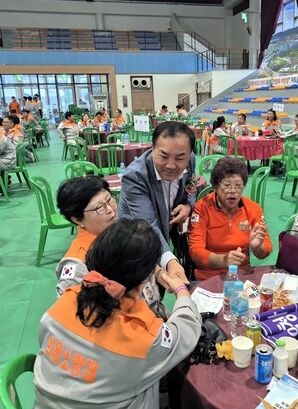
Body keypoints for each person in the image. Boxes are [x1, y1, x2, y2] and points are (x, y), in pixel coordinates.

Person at [33, 219, 201, 408]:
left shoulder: (60, 305)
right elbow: (186, 330)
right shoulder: (144, 340)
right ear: (144, 281)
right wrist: (181, 290)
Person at [118, 121, 196, 288]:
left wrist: (188, 206)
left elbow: (191, 184)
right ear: (152, 149)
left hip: (167, 231)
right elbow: (148, 224)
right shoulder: (135, 177)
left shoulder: (190, 161)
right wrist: (169, 260)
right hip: (137, 242)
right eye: (164, 156)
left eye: (180, 158)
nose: (171, 165)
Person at [188, 157, 271, 280]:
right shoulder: (202, 207)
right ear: (215, 187)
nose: (233, 191)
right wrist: (224, 260)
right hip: (209, 276)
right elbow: (195, 251)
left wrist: (257, 247)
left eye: (238, 186)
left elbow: (266, 248)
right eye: (226, 185)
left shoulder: (254, 209)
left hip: (242, 274)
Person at [55, 176, 118, 296]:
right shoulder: (78, 263)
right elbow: (68, 307)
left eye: (109, 200)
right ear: (78, 220)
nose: (110, 209)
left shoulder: (115, 233)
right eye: (99, 207)